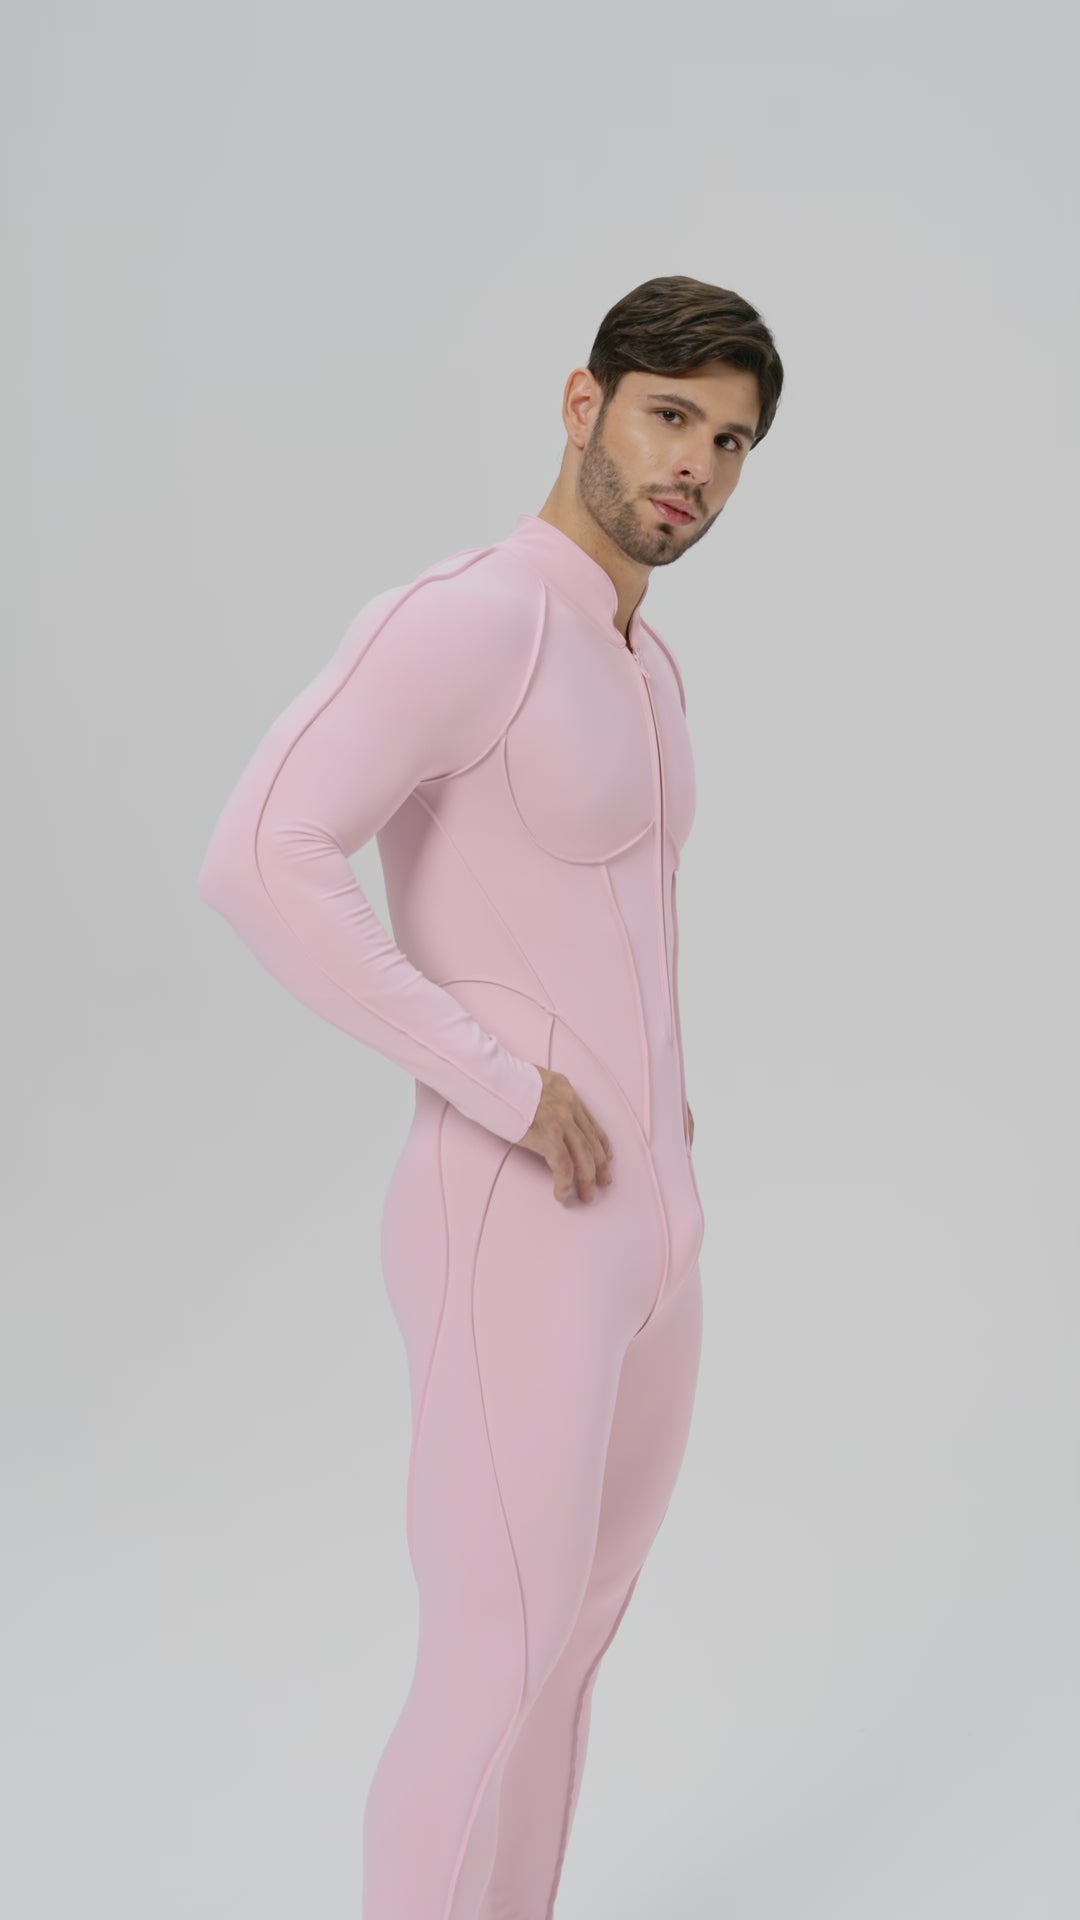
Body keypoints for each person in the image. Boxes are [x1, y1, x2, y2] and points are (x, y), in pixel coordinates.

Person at [197, 272, 783, 1919]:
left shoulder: (645, 665)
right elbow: (261, 858)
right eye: (670, 416)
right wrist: (498, 1083)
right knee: (493, 1650)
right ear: (584, 404)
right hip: (513, 1220)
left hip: (653, 1237)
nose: (697, 465)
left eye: (733, 442)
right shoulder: (475, 617)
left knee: (574, 1643)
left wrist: (669, 1136)